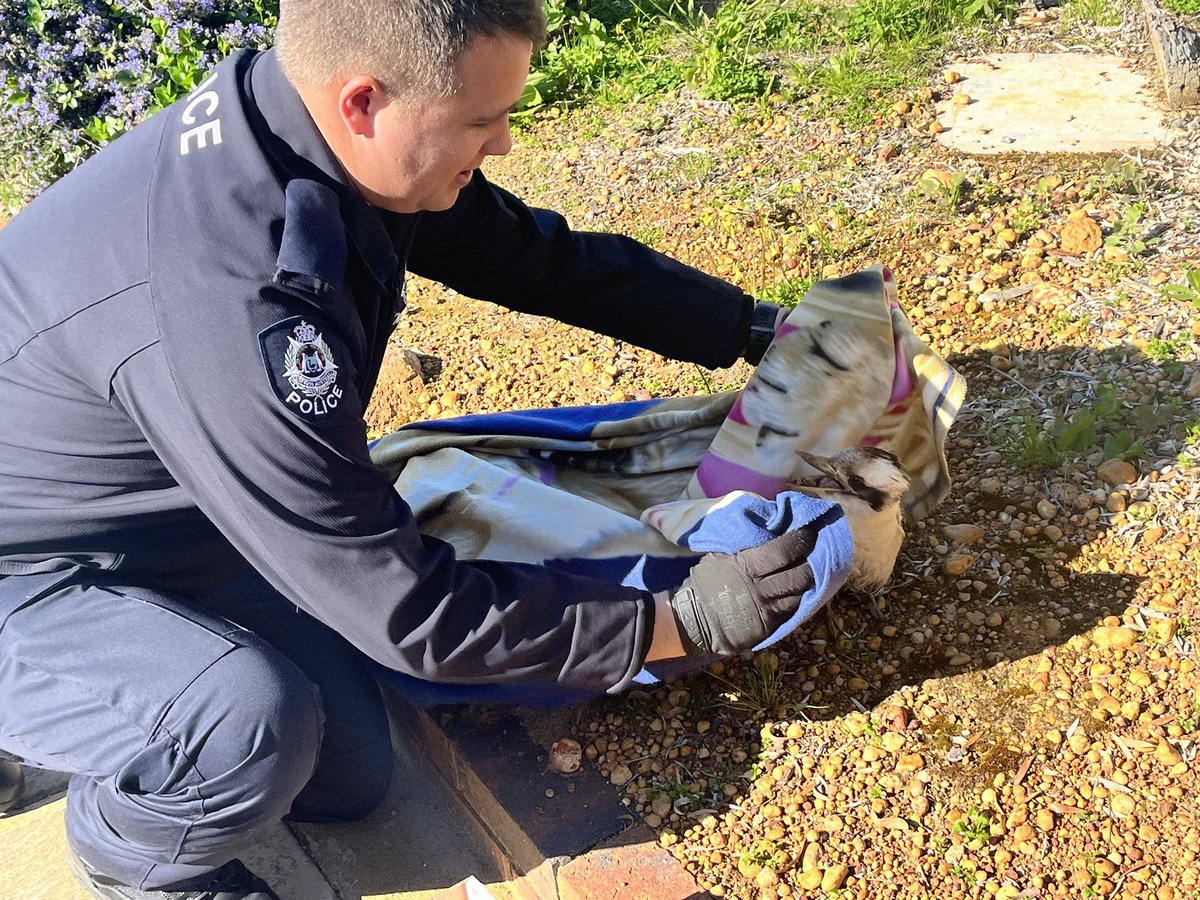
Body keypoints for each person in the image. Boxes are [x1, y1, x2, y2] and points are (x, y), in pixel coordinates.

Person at [0, 1, 810, 897]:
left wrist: (753, 326)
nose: (503, 144)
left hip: (159, 521)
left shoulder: (308, 137)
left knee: (347, 776)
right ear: (363, 102)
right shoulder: (229, 303)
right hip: (25, 574)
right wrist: (674, 622)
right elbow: (406, 609)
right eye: (481, 120)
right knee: (246, 730)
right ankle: (130, 852)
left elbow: (525, 254)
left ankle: (136, 712)